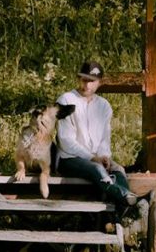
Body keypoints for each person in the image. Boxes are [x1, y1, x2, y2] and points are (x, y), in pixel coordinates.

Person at [55, 60, 141, 218]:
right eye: (84, 80)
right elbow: (65, 140)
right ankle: (129, 199)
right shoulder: (66, 100)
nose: (87, 85)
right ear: (78, 79)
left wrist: (104, 156)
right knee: (97, 169)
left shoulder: (104, 106)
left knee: (118, 170)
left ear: (99, 82)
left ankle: (121, 213)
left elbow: (104, 138)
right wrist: (92, 158)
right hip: (69, 159)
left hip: (96, 157)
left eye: (92, 81)